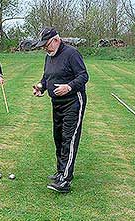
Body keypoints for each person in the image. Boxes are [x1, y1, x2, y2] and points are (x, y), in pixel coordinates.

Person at [32, 27, 89, 193]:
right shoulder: (48, 57)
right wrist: (41, 87)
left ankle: (65, 180)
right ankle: (60, 172)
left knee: (69, 138)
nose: (45, 48)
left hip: (73, 102)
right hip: (56, 103)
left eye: (47, 45)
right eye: (43, 46)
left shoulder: (71, 53)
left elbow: (84, 76)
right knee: (58, 137)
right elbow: (46, 77)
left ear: (56, 40)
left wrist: (69, 87)